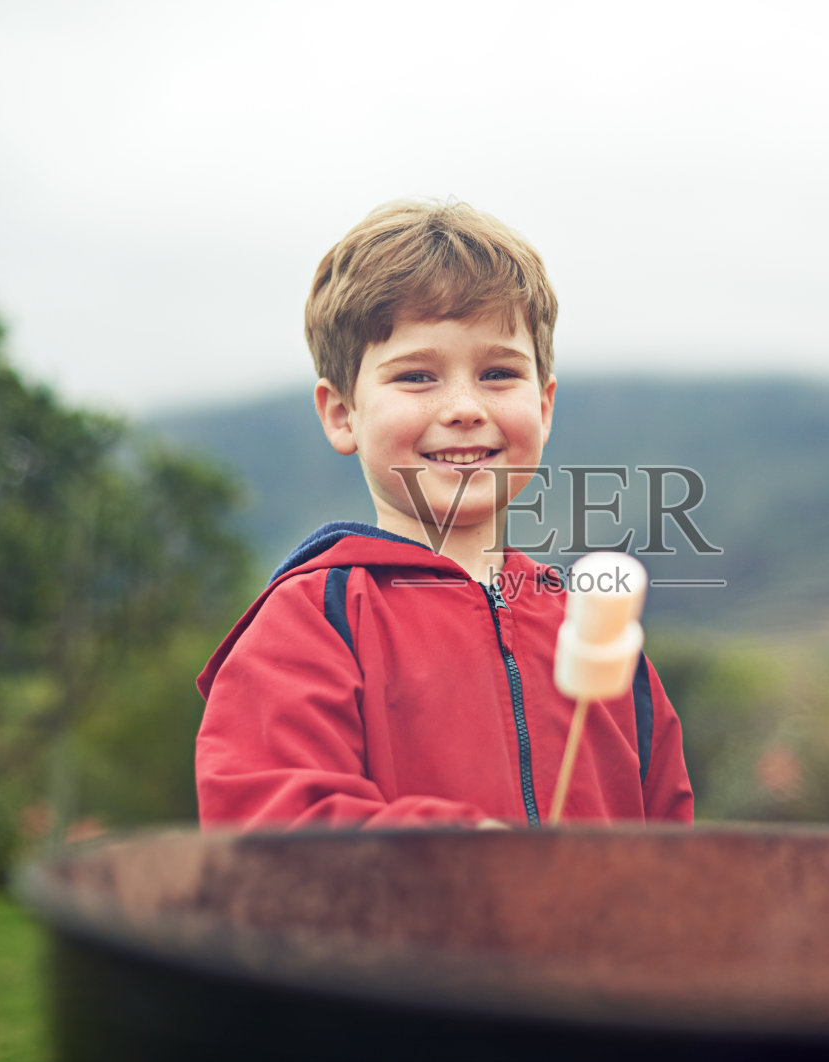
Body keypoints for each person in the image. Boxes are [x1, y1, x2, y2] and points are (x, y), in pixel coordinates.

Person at [195, 199, 695, 830]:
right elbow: (271, 827)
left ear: (543, 406)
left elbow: (672, 852)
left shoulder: (599, 635)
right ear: (341, 413)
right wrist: (460, 854)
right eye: (416, 377)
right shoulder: (308, 625)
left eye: (497, 373)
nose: (463, 407)